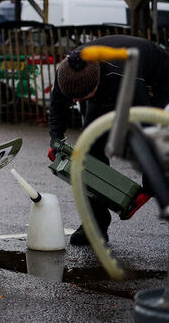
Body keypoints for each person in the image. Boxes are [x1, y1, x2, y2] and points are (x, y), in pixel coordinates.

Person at [48, 34, 169, 245]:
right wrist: (56, 140)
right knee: (89, 151)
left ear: (96, 85)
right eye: (72, 97)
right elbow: (57, 107)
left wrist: (147, 188)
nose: (75, 101)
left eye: (81, 96)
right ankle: (94, 226)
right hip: (110, 81)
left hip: (160, 79)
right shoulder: (67, 73)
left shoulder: (123, 79)